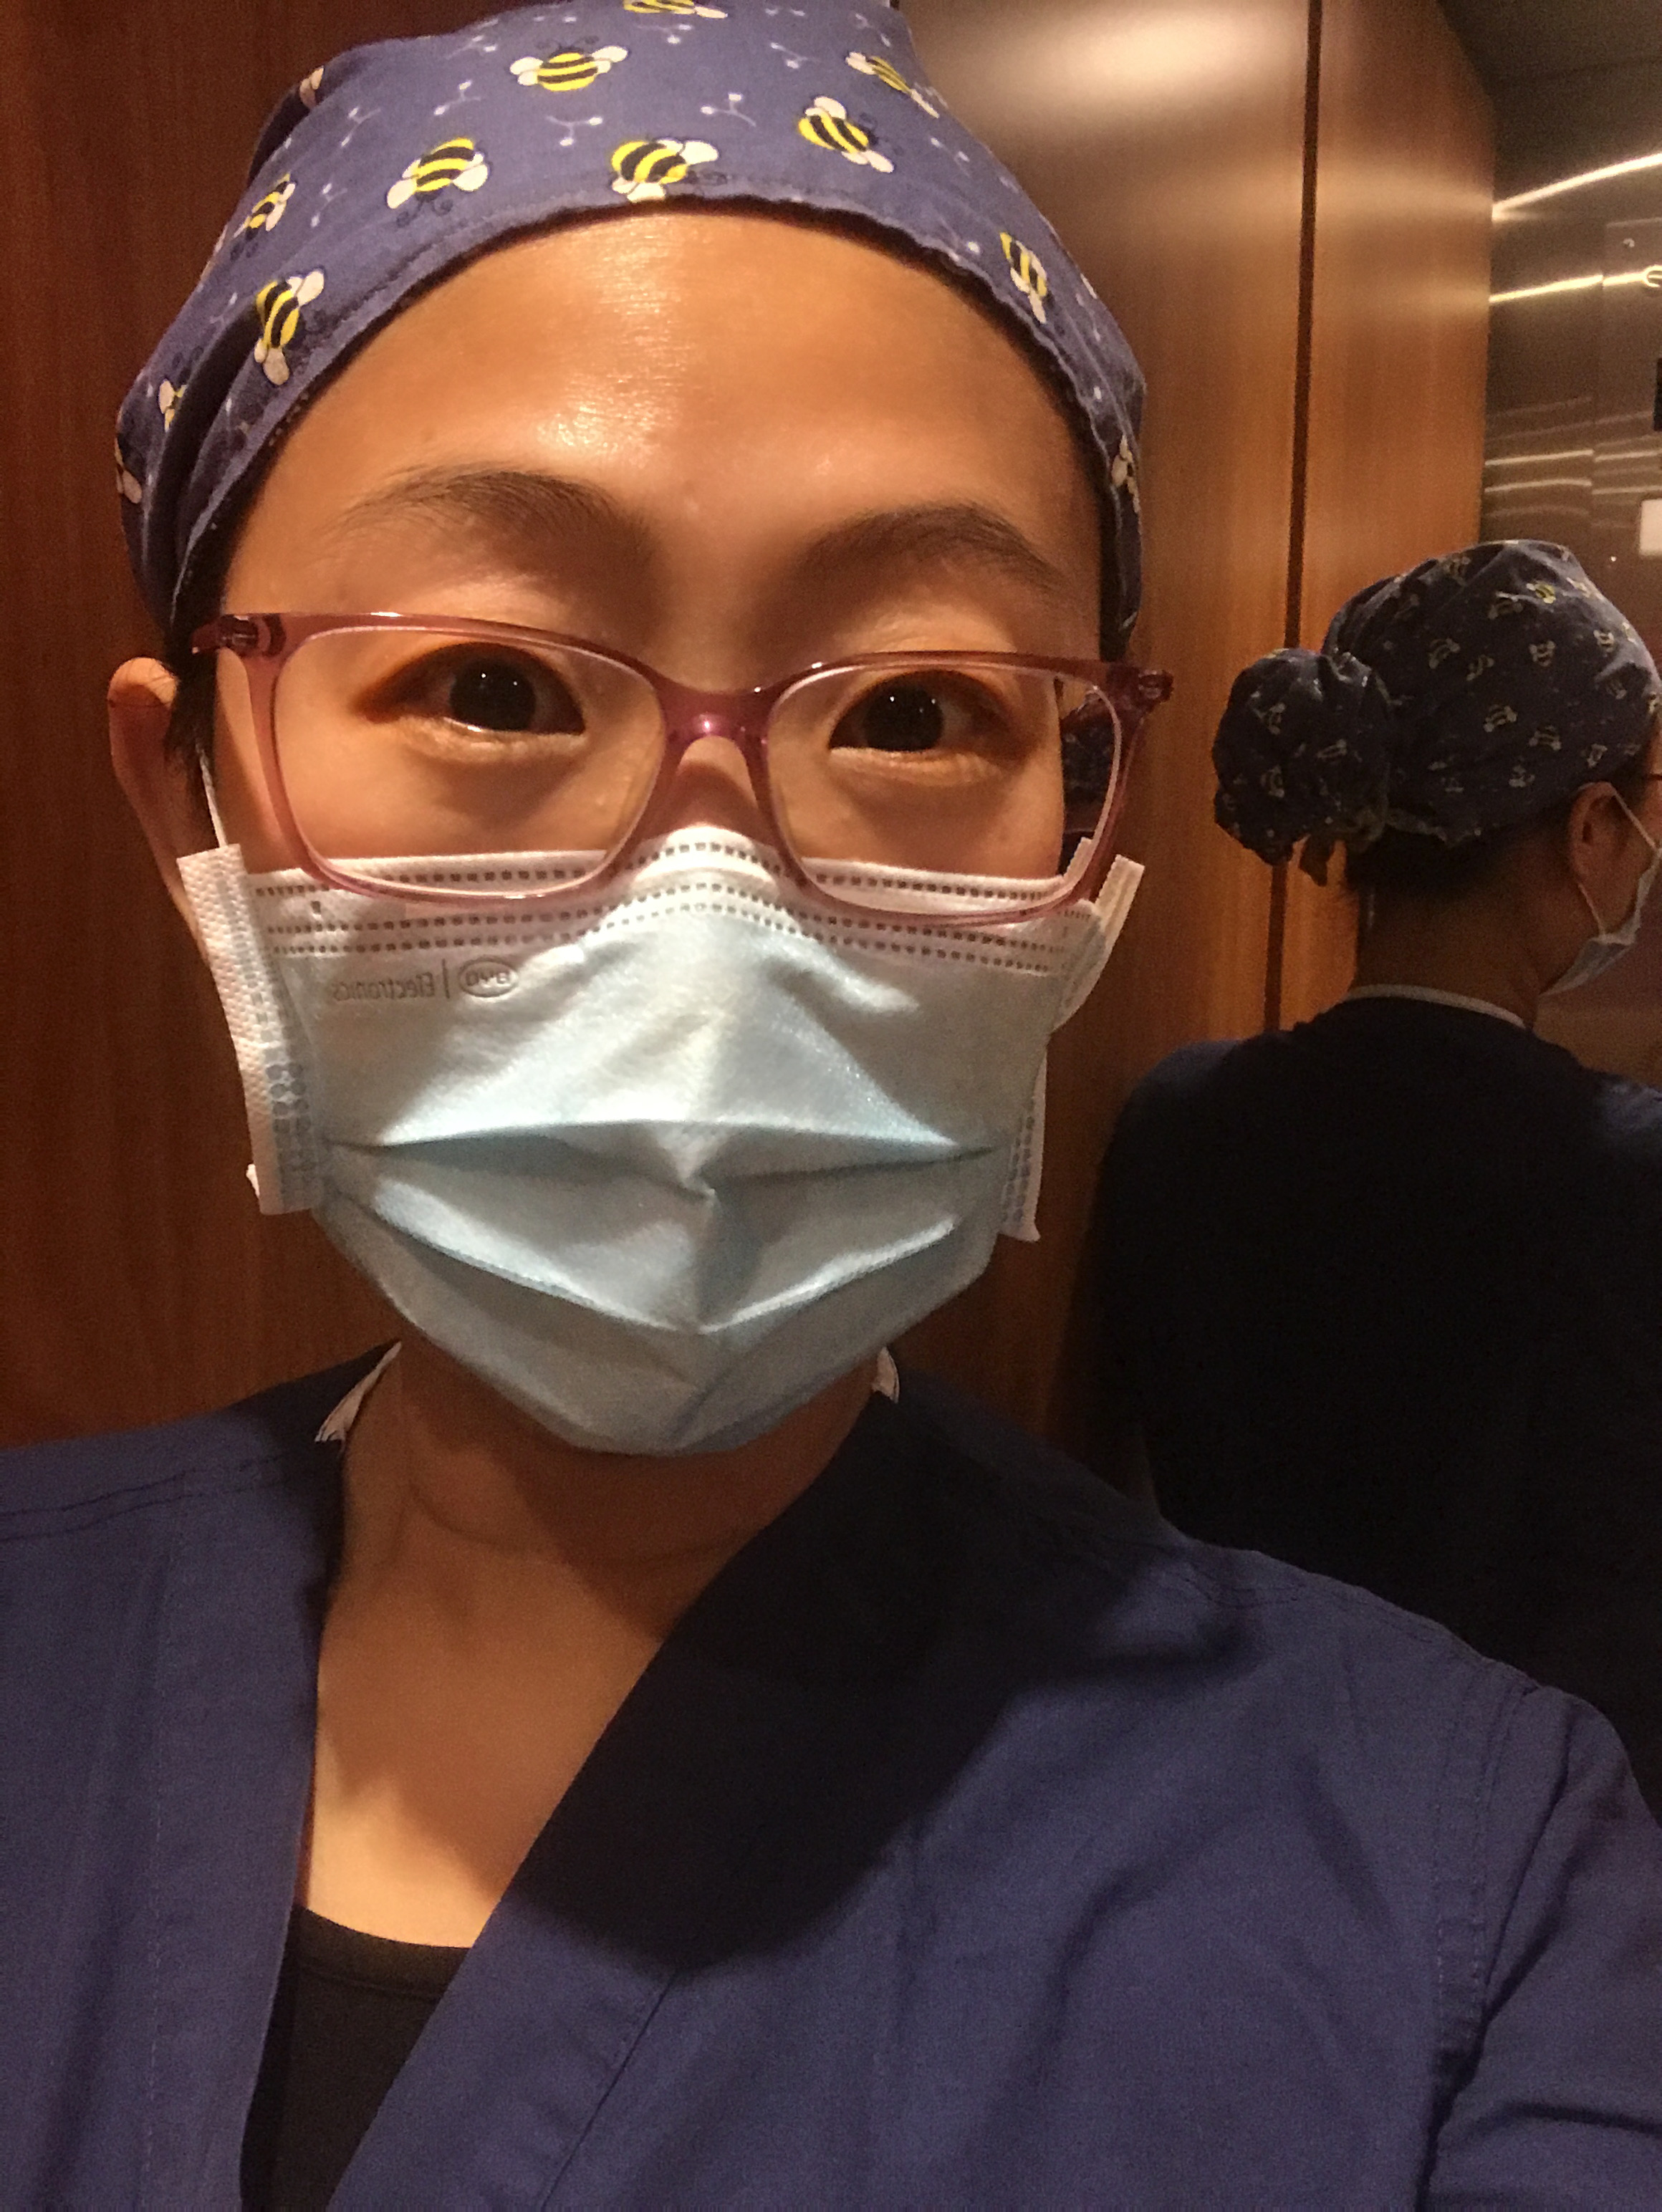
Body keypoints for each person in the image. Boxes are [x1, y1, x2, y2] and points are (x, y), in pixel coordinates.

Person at [3, 11, 1659, 2199]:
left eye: (911, 708)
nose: (710, 909)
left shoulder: (1477, 1896)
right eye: (492, 682)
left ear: (1082, 823)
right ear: (193, 801)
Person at [1078, 539, 1662, 1814]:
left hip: (1226, 1797)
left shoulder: (1179, 1120)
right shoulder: (1628, 1173)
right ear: (1588, 828)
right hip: (1541, 1841)